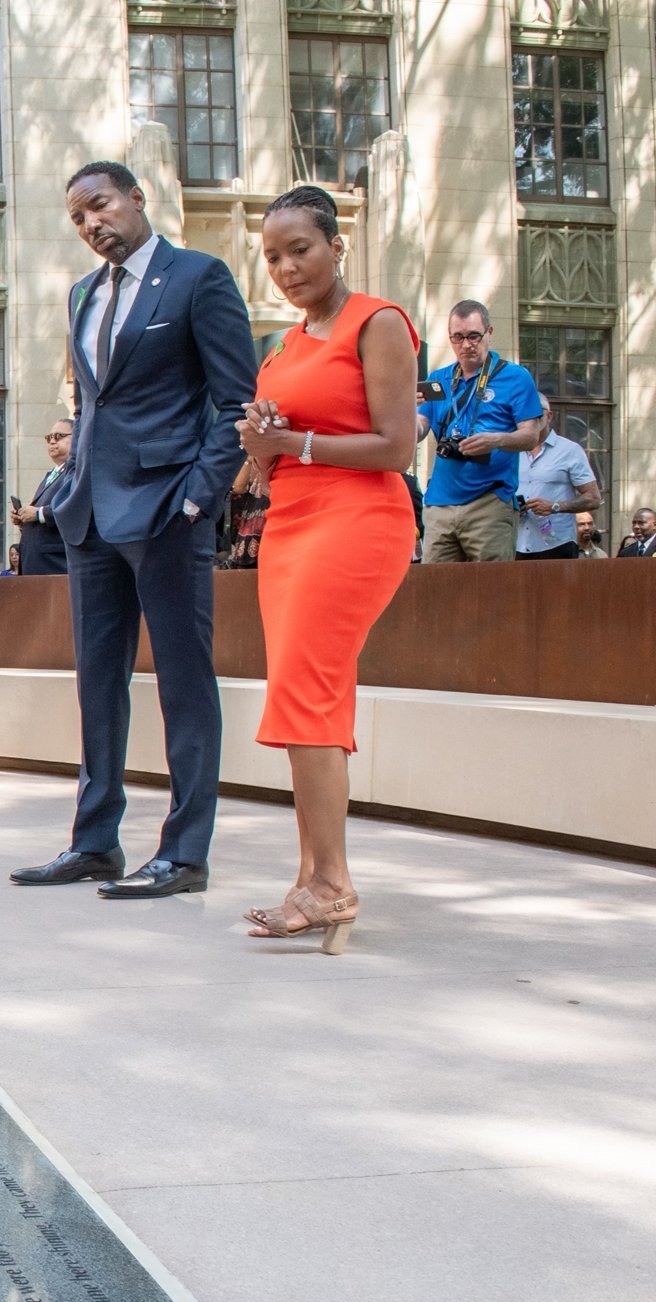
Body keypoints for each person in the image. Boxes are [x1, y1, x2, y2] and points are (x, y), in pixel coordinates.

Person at [13, 160, 256, 899]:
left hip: (166, 515)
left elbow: (237, 404)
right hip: (90, 519)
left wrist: (196, 499)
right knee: (98, 686)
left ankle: (184, 853)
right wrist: (71, 488)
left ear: (135, 198)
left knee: (182, 684)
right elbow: (91, 405)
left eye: (100, 204)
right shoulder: (83, 294)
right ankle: (95, 843)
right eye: (79, 217)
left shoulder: (197, 278)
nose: (91, 223)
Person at [233, 185, 421, 954]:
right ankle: (312, 875)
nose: (285, 267)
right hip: (291, 523)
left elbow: (396, 448)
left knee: (308, 693)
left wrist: (293, 445)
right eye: (272, 256)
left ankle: (331, 884)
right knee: (310, 696)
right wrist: (261, 440)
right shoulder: (281, 345)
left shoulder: (377, 323)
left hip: (357, 520)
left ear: (336, 245)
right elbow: (266, 457)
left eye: (299, 250)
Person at [418, 300, 545, 563]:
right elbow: (419, 429)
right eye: (458, 337)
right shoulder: (438, 378)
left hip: (489, 502)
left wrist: (495, 440)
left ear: (489, 332)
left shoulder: (516, 377)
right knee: (436, 594)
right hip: (440, 504)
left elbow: (531, 436)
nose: (466, 345)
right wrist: (403, 410)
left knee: (490, 594)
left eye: (474, 336)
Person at [513, 428, 601, 561]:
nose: (528, 420)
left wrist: (554, 506)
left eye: (536, 416)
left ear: (549, 416)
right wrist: (513, 506)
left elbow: (593, 498)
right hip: (517, 543)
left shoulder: (570, 450)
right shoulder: (512, 450)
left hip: (557, 545)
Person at [10, 421, 73, 575]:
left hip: (55, 563)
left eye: (59, 436)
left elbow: (73, 507)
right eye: (49, 437)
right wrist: (24, 519)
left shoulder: (76, 470)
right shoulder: (53, 473)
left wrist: (39, 514)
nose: (52, 441)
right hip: (36, 562)